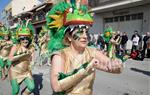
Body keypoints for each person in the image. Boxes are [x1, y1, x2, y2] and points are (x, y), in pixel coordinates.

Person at [46, 1, 123, 95]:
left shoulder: (92, 52)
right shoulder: (60, 55)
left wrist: (117, 65)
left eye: (86, 32)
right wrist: (85, 70)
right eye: (80, 32)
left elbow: (109, 65)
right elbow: (56, 87)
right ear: (69, 37)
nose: (85, 36)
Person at [8, 19, 35, 95]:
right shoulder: (15, 47)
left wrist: (32, 63)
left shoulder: (31, 48)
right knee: (16, 91)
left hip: (26, 72)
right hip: (15, 72)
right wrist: (21, 56)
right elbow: (10, 59)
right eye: (22, 38)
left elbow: (31, 60)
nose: (25, 40)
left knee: (32, 87)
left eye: (27, 38)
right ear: (19, 39)